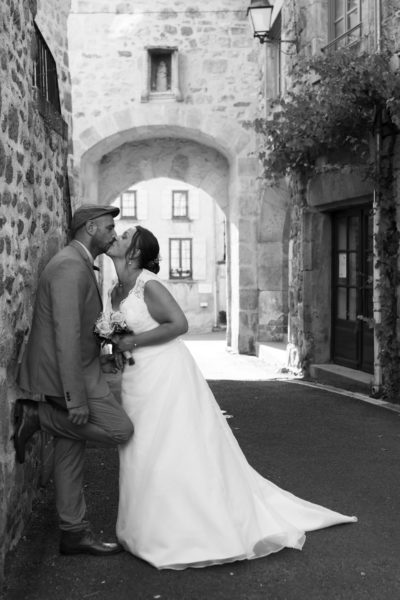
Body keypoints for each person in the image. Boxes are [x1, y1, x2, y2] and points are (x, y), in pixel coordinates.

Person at [107, 225, 357, 570]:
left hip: (166, 373)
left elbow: (178, 324)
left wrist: (129, 343)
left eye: (124, 236)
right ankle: (140, 526)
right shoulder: (114, 289)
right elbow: (119, 331)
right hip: (136, 377)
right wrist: (116, 348)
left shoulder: (147, 284)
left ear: (134, 252)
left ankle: (182, 530)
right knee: (141, 446)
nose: (116, 237)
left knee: (171, 445)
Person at [15, 204, 134, 556]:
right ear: (90, 227)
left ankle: (73, 532)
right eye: (110, 227)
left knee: (70, 451)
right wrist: (74, 399)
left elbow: (82, 328)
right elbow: (65, 336)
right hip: (70, 375)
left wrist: (107, 346)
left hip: (86, 369)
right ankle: (39, 417)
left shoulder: (80, 263)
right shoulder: (69, 266)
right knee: (121, 431)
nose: (114, 233)